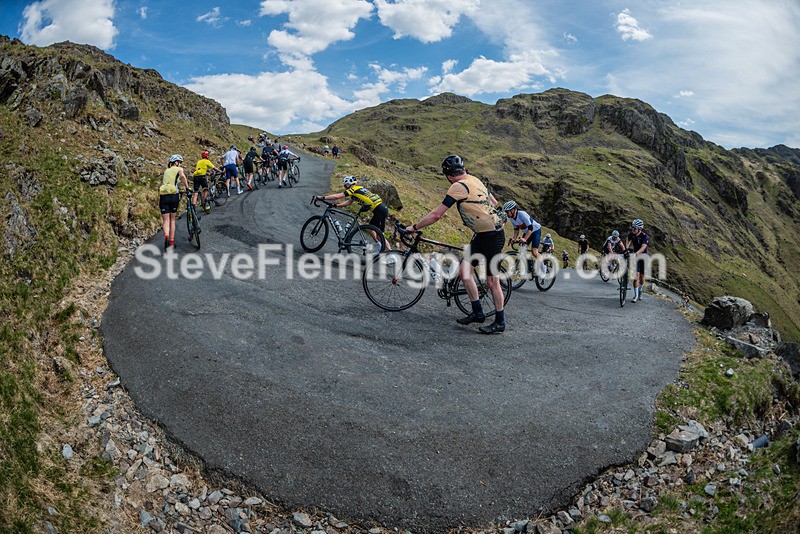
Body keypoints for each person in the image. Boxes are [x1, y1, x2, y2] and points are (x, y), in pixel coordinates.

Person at [404, 155, 506, 334]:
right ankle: (478, 312)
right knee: (464, 272)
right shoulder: (474, 179)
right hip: (482, 234)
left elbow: (437, 215)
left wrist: (414, 227)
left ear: (448, 175)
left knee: (492, 281)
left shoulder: (457, 186)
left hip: (492, 235)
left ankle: (500, 322)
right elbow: (494, 202)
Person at [313, 175, 388, 247]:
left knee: (380, 235)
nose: (345, 187)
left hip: (379, 209)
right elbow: (348, 202)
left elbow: (337, 196)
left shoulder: (353, 190)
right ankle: (380, 245)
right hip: (379, 208)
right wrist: (336, 205)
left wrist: (321, 197)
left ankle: (390, 252)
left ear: (349, 184)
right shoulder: (358, 189)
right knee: (370, 229)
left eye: (345, 185)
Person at [502, 200, 542, 275]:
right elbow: (516, 230)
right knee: (522, 249)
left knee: (534, 251)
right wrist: (513, 239)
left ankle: (543, 267)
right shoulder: (511, 218)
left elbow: (530, 228)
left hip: (535, 230)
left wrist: (524, 239)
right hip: (527, 232)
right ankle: (530, 268)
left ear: (513, 210)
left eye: (507, 212)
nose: (507, 214)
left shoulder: (522, 214)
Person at [159, 154, 189, 250]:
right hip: (173, 195)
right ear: (176, 162)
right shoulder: (178, 169)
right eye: (180, 162)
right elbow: (183, 177)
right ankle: (171, 242)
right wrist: (187, 188)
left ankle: (166, 236)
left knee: (166, 220)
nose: (180, 164)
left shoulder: (166, 170)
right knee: (172, 219)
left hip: (163, 196)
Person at [626, 218, 649, 303]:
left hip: (643, 256)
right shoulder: (631, 234)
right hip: (635, 257)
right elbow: (628, 239)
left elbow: (643, 247)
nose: (633, 230)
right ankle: (635, 296)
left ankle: (640, 290)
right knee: (636, 277)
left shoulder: (644, 236)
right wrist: (626, 248)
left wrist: (636, 254)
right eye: (632, 227)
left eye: (634, 228)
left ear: (640, 229)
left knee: (641, 277)